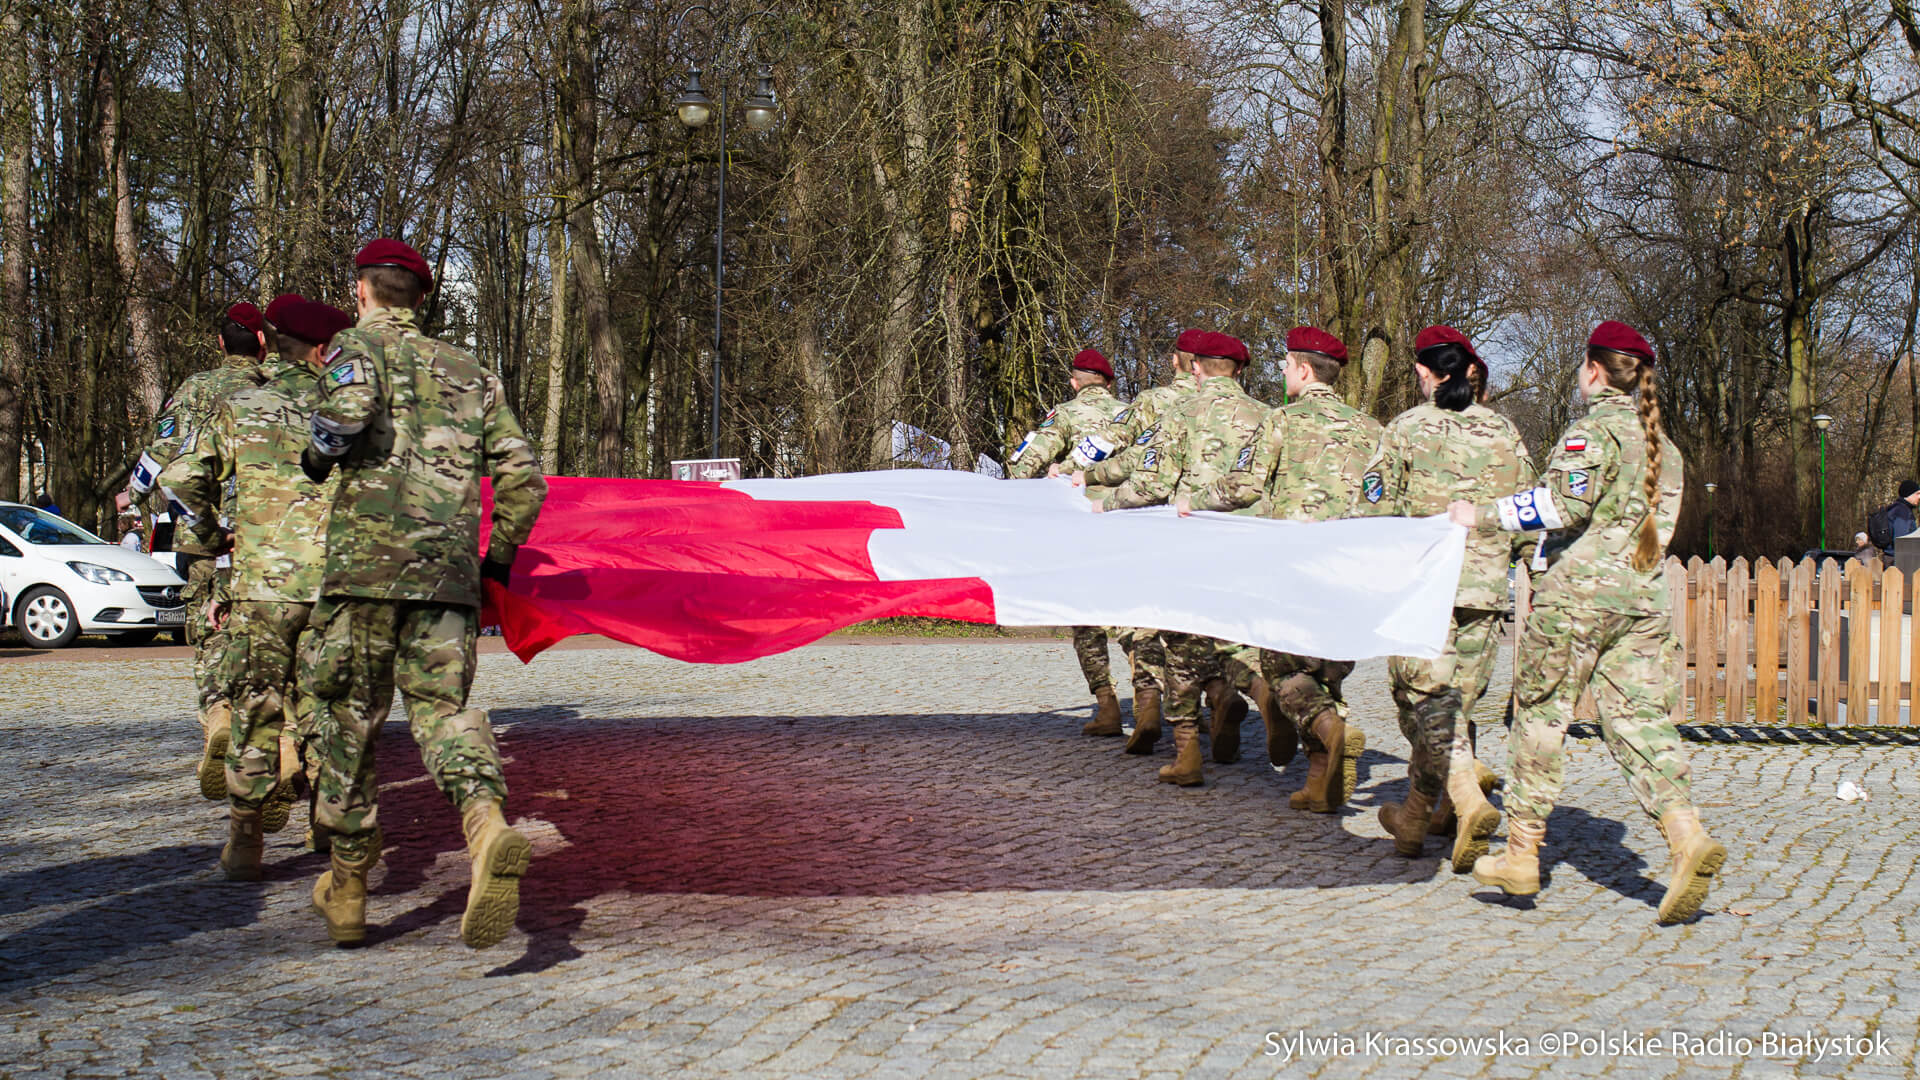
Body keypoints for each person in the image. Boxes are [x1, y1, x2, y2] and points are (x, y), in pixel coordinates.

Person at [301, 239, 548, 949]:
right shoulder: (472, 371)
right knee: (443, 713)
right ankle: (485, 823)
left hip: (365, 574)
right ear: (421, 296)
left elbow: (346, 415)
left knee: (349, 717)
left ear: (363, 291)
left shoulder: (354, 347)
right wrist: (494, 562)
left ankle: (349, 890)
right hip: (446, 577)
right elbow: (524, 478)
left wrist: (316, 455)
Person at [1451, 320, 1725, 924]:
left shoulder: (1589, 433)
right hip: (1644, 598)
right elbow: (1664, 529)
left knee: (1541, 714)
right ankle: (1685, 835)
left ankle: (1522, 854)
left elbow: (1560, 504)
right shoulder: (1666, 448)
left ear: (1594, 370)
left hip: (1576, 597)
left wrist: (1482, 515)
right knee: (1636, 718)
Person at [164, 296, 353, 879]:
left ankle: (245, 844)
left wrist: (210, 532)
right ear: (324, 350)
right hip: (333, 586)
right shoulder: (350, 412)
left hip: (261, 586)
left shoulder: (242, 405)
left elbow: (179, 473)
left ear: (274, 342)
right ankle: (327, 822)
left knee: (257, 705)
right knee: (329, 704)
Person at [1184, 326, 1379, 809]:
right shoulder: (1372, 429)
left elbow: (1245, 486)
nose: (1285, 373)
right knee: (1326, 670)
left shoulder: (1281, 422)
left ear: (1305, 370)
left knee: (1279, 669)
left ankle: (1331, 731)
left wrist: (1194, 502)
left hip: (1292, 568)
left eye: (1287, 365)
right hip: (1349, 566)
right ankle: (1319, 780)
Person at [1361, 326, 1532, 871]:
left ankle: (1467, 799)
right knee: (1454, 703)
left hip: (1424, 586)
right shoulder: (1506, 432)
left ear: (1424, 371)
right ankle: (1416, 818)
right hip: (1485, 589)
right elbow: (1528, 509)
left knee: (1422, 700)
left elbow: (1373, 506)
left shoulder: (1406, 428)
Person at [1089, 331, 1268, 786]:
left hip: (1189, 543)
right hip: (1248, 543)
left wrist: (1105, 503)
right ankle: (1248, 690)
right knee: (1232, 633)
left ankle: (1187, 753)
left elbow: (1151, 481)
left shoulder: (1179, 412)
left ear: (1194, 367)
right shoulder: (1268, 416)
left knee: (1182, 646)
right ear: (1241, 371)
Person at [121, 302, 272, 799]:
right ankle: (273, 740)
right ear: (262, 343)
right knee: (265, 634)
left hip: (202, 536)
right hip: (266, 533)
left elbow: (160, 451)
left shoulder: (194, 390)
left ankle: (217, 715)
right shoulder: (276, 390)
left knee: (209, 634)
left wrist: (134, 495)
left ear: (222, 344)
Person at [1066, 334, 1204, 754]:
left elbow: (1111, 448)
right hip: (1196, 522)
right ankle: (1212, 699)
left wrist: (1072, 471)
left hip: (1124, 515)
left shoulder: (1145, 405)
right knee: (1186, 620)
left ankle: (1122, 705)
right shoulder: (1244, 410)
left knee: (1098, 613)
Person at [1007, 348, 1134, 736]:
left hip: (1083, 529)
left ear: (1074, 382)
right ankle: (1149, 702)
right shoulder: (1131, 414)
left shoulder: (1064, 413)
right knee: (1135, 612)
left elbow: (1023, 464)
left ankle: (1108, 706)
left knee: (1086, 619)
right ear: (1109, 384)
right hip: (1131, 523)